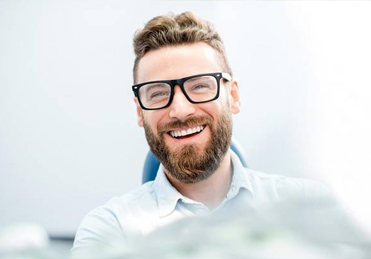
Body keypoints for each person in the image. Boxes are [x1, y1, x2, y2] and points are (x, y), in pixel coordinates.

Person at [71, 12, 328, 257]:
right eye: (158, 93)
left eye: (200, 86)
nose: (180, 111)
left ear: (234, 97)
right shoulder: (111, 230)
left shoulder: (309, 207)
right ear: (140, 112)